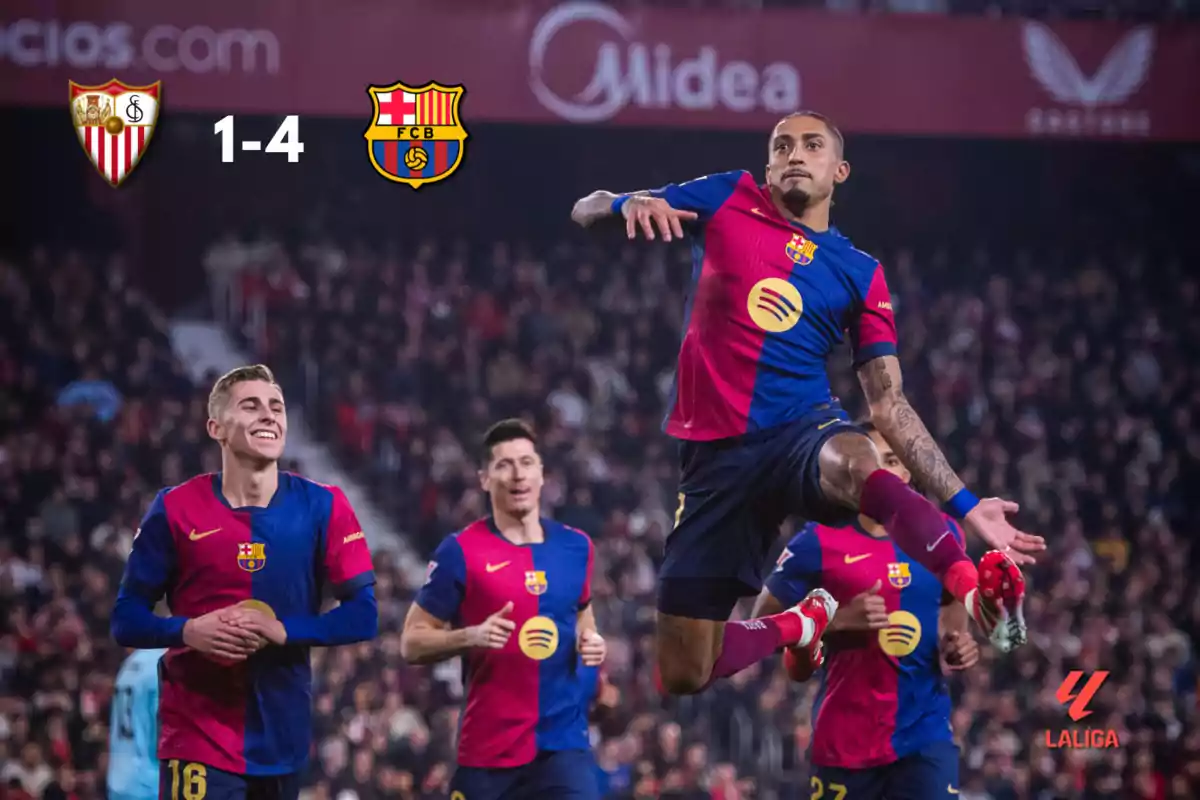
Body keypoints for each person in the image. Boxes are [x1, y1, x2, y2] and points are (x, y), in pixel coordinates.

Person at [570, 111, 1045, 695]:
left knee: (857, 459)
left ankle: (976, 590)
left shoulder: (859, 272)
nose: (795, 154)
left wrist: (968, 506)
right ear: (768, 166)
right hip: (714, 462)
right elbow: (584, 207)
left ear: (839, 170)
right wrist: (625, 204)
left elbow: (889, 406)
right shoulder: (726, 196)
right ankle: (800, 621)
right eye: (783, 146)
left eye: (812, 145)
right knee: (684, 671)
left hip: (801, 430)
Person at [110, 364, 378, 800]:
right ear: (216, 427)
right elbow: (126, 618)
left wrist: (285, 630)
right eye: (250, 406)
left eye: (276, 407)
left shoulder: (324, 505)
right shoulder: (176, 508)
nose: (269, 415)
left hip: (283, 741)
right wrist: (187, 631)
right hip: (197, 738)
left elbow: (364, 615)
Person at [752, 422, 980, 798]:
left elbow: (952, 597)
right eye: (870, 464)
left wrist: (954, 639)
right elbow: (760, 626)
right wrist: (834, 620)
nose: (880, 475)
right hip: (845, 742)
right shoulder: (816, 541)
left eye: (890, 461)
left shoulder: (945, 532)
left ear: (907, 469)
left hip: (925, 735)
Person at [400, 419, 605, 800]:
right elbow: (411, 642)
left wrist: (589, 639)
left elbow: (582, 611)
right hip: (489, 752)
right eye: (504, 464)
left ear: (542, 473)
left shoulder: (576, 547)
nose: (517, 475)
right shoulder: (460, 551)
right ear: (484, 478)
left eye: (526, 462)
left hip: (563, 746)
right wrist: (470, 636)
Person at [108, 647, 167, 800]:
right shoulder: (163, 665)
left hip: (118, 781)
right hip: (149, 785)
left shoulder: (130, 662)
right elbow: (163, 735)